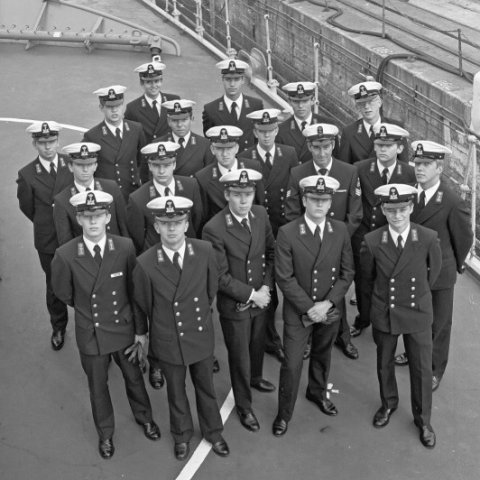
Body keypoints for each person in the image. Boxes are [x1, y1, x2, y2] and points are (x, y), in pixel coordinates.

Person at [51, 190, 160, 459]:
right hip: (92, 332)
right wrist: (88, 311)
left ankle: (145, 418)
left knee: (134, 378)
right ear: (79, 219)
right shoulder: (65, 255)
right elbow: (64, 293)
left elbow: (134, 293)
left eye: (98, 216)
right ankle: (106, 434)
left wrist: (140, 331)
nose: (93, 222)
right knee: (98, 387)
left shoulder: (124, 247)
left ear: (107, 217)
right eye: (87, 217)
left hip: (123, 328)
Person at [133, 195, 229, 461]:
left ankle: (213, 432)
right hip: (168, 338)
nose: (172, 228)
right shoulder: (145, 263)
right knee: (176, 392)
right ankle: (182, 435)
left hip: (199, 333)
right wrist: (143, 333)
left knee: (206, 388)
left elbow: (210, 290)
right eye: (165, 223)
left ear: (187, 224)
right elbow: (143, 305)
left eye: (177, 222)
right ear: (156, 227)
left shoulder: (205, 251)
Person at [360, 183, 442, 449]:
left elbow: (433, 274)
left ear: (411, 208)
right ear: (383, 210)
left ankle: (423, 420)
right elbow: (367, 278)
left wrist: (418, 296)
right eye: (391, 210)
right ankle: (388, 404)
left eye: (402, 209)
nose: (397, 215)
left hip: (417, 311)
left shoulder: (427, 237)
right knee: (384, 362)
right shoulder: (373, 241)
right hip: (386, 310)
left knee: (421, 368)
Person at [272, 175, 354, 437]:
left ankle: (317, 393)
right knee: (292, 364)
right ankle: (284, 413)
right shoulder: (288, 232)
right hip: (300, 312)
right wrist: (311, 308)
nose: (319, 204)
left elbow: (347, 272)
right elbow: (284, 277)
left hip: (329, 309)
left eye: (325, 200)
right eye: (314, 199)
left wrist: (327, 303)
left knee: (322, 355)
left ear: (330, 203)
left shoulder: (339, 230)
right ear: (304, 200)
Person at [394, 141, 473, 393]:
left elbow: (464, 238)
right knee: (413, 315)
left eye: (426, 164)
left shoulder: (451, 200)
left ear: (439, 168)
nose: (419, 168)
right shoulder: (408, 194)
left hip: (440, 273)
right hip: (412, 270)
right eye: (417, 163)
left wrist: (454, 265)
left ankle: (435, 369)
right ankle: (412, 353)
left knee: (439, 324)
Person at [202, 169, 275, 433]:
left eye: (248, 194)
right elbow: (220, 277)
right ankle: (244, 405)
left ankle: (255, 377)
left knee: (257, 346)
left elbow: (270, 253)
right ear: (227, 195)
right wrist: (252, 295)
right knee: (240, 356)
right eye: (237, 194)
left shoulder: (261, 215)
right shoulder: (214, 228)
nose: (244, 200)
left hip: (261, 298)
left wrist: (266, 287)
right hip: (237, 304)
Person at [127, 141, 204, 388]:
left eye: (167, 164)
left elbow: (197, 221)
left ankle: (198, 353)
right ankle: (157, 363)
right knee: (158, 317)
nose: (162, 170)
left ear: (174, 164)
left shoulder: (190, 186)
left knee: (192, 308)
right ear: (149, 166)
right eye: (156, 165)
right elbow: (137, 236)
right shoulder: (139, 198)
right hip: (157, 266)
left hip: (186, 259)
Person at [285, 124, 362, 360]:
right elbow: (292, 212)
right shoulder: (298, 173)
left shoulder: (349, 172)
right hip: (307, 245)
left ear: (333, 145)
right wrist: (306, 240)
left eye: (326, 146)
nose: (321, 152)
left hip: (338, 245)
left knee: (336, 290)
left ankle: (343, 336)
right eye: (316, 147)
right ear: (309, 146)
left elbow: (355, 213)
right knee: (310, 287)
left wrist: (337, 239)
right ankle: (309, 338)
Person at [239, 108, 299, 362]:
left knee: (292, 282)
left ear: (277, 131)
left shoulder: (289, 153)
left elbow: (295, 190)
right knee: (266, 285)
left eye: (271, 130)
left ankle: (295, 336)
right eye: (261, 131)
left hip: (284, 228)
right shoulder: (246, 157)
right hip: (260, 230)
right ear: (255, 132)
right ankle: (270, 339)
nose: (266, 135)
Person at [350, 124, 415, 338]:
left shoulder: (409, 173)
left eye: (388, 145)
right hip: (365, 235)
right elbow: (354, 203)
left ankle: (388, 322)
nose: (382, 149)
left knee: (390, 281)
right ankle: (363, 318)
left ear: (399, 148)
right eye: (379, 144)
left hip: (393, 237)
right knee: (363, 280)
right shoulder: (360, 168)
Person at [17, 121, 72, 350]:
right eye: (42, 143)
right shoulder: (27, 174)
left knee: (85, 280)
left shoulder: (72, 164)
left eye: (51, 141)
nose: (48, 147)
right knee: (54, 284)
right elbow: (27, 207)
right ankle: (58, 326)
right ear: (35, 144)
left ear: (58, 141)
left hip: (73, 234)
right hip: (48, 239)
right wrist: (47, 223)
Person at [53, 142, 129, 245]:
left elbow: (124, 226)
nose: (85, 169)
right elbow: (66, 243)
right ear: (70, 167)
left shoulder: (111, 188)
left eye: (89, 164)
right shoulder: (62, 200)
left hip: (115, 249)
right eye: (79, 165)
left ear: (95, 166)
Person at [83, 85, 146, 196]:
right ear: (101, 108)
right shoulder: (92, 136)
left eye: (118, 105)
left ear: (123, 105)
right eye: (109, 107)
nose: (114, 110)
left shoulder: (136, 129)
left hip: (132, 192)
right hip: (106, 194)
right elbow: (85, 166)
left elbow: (142, 160)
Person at [195, 126, 265, 221]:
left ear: (237, 148)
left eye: (229, 148)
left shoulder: (253, 167)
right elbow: (204, 216)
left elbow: (260, 203)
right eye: (219, 148)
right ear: (212, 149)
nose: (225, 154)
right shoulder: (203, 177)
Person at [338, 81, 409, 164]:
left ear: (379, 102)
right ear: (357, 107)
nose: (367, 107)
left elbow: (404, 165)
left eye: (370, 102)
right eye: (362, 104)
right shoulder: (349, 132)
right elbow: (345, 166)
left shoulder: (396, 128)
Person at [202, 59, 263, 152]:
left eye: (236, 79)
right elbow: (210, 140)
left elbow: (259, 136)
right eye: (228, 79)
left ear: (243, 80)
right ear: (223, 80)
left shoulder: (255, 106)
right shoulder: (210, 109)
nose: (232, 84)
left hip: (249, 158)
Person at [276, 82, 339, 163]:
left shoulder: (328, 125)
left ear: (313, 100)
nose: (300, 106)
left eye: (305, 101)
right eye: (296, 101)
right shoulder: (281, 130)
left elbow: (337, 159)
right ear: (289, 101)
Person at [124, 61, 180, 145]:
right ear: (142, 83)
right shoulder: (132, 108)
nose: (153, 85)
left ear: (161, 81)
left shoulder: (174, 101)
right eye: (149, 82)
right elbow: (129, 136)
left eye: (156, 81)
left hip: (170, 150)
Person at [158, 99, 215, 177]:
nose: (179, 125)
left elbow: (209, 176)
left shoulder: (205, 145)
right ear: (168, 121)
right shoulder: (158, 144)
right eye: (175, 120)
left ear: (192, 119)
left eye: (184, 120)